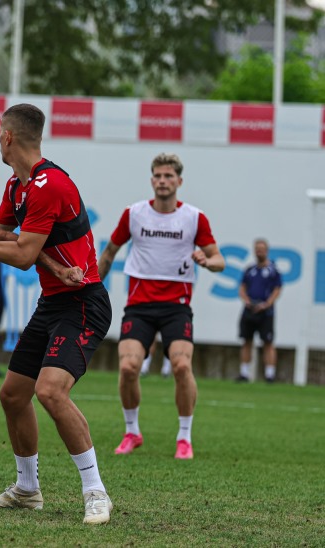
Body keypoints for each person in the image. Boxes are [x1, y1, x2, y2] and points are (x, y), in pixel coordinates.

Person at [0, 103, 114, 525]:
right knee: (12, 394)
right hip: (54, 303)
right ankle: (27, 490)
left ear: (8, 137)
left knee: (50, 391)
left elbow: (24, 255)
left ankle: (96, 491)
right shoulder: (19, 185)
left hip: (84, 303)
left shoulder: (49, 184)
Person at [98, 152, 225, 460]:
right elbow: (110, 252)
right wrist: (91, 287)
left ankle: (184, 436)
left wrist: (207, 262)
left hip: (176, 307)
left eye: (169, 176)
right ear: (151, 179)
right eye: (158, 175)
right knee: (128, 367)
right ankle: (132, 432)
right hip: (139, 305)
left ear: (179, 181)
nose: (163, 181)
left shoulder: (194, 217)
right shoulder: (135, 213)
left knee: (182, 365)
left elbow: (219, 260)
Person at [237, 238, 282, 383]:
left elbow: (277, 289)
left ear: (266, 251)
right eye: (257, 249)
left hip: (266, 312)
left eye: (262, 249)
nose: (259, 252)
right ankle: (244, 373)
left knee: (268, 342)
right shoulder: (250, 270)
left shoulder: (273, 270)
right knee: (246, 341)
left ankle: (270, 375)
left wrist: (267, 303)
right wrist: (247, 300)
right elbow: (242, 287)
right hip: (249, 310)